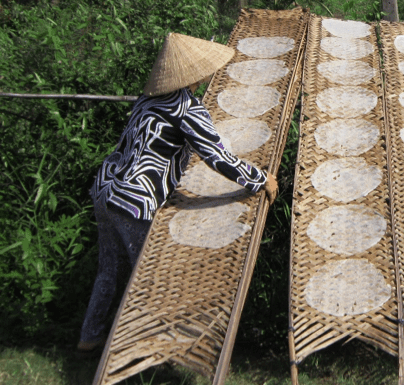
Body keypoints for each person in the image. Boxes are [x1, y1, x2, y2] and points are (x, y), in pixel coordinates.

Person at [77, 33, 278, 354]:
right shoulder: (186, 107)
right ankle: (144, 346)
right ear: (197, 74)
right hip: (134, 199)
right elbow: (217, 157)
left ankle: (90, 337)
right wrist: (259, 179)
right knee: (147, 276)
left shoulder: (148, 99)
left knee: (109, 270)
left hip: (105, 190)